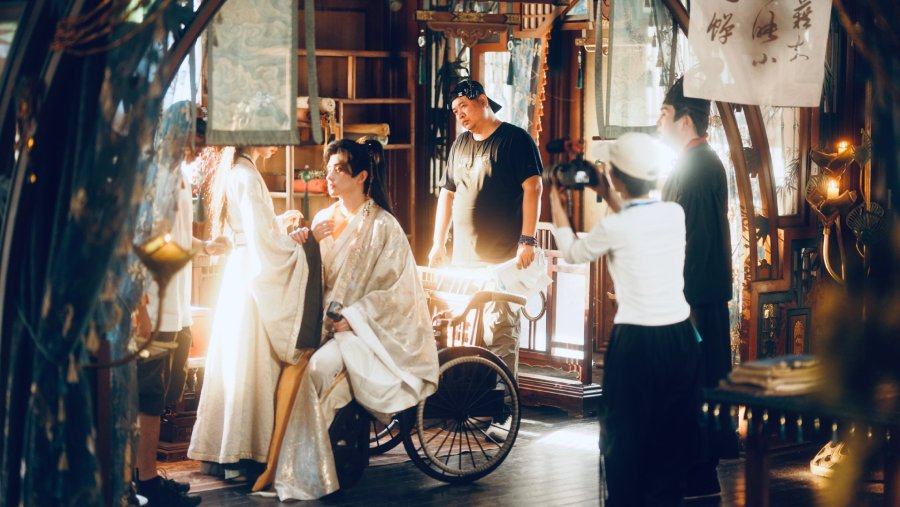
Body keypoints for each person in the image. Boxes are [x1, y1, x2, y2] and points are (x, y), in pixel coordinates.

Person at [255, 138, 439, 501]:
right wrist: (305, 244)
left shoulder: (384, 227)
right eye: (328, 170)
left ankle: (308, 469)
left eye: (339, 169)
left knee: (317, 370)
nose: (330, 177)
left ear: (362, 176)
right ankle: (273, 459)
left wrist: (354, 318)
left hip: (360, 332)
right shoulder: (323, 219)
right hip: (319, 323)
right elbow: (311, 278)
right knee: (278, 362)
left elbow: (398, 292)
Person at [548, 133, 701, 506]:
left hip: (636, 342)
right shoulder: (673, 213)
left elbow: (573, 252)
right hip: (681, 337)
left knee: (625, 435)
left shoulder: (615, 226)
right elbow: (636, 220)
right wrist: (607, 188)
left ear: (615, 176)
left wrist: (555, 199)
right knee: (671, 434)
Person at [187, 146, 311, 481]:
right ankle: (245, 453)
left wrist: (277, 224)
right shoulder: (247, 176)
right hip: (252, 273)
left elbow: (252, 231)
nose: (277, 144)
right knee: (250, 360)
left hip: (238, 270)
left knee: (236, 361)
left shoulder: (236, 171)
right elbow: (262, 241)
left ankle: (226, 450)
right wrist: (296, 245)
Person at [133, 104, 230, 507]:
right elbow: (142, 242)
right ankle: (145, 481)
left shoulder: (177, 173)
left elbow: (173, 237)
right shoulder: (152, 174)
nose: (199, 151)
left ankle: (146, 475)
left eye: (202, 144)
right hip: (152, 304)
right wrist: (140, 306)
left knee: (161, 394)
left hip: (173, 302)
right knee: (148, 395)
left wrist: (205, 246)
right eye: (195, 141)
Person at [428, 78, 543, 378]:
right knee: (465, 333)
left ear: (482, 101)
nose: (460, 115)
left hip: (501, 259)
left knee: (499, 332)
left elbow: (533, 188)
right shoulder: (460, 143)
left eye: (464, 107)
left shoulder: (515, 139)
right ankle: (474, 397)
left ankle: (504, 399)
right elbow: (447, 194)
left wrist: (527, 240)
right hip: (463, 259)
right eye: (455, 111)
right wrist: (438, 243)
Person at [657, 76, 736, 497]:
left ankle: (699, 474)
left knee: (696, 383)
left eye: (665, 115)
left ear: (685, 120)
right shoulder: (693, 163)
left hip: (694, 300)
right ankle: (690, 470)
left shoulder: (701, 167)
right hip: (689, 296)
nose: (659, 123)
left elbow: (697, 242)